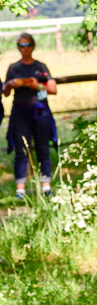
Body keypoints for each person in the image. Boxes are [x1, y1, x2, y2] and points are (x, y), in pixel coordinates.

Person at [3, 33, 57, 199]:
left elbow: (53, 89)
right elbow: (5, 93)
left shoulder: (41, 67)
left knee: (42, 148)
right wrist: (10, 85)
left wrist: (37, 85)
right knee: (21, 149)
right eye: (21, 45)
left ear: (32, 46)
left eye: (27, 45)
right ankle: (20, 189)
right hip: (20, 112)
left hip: (40, 111)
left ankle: (46, 186)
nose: (24, 48)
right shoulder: (13, 68)